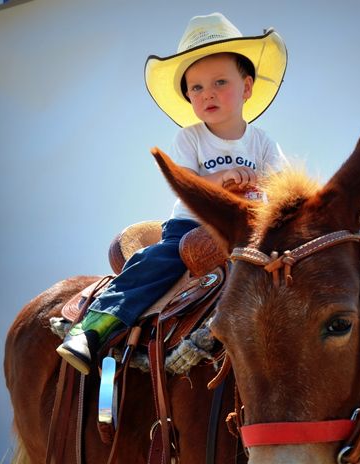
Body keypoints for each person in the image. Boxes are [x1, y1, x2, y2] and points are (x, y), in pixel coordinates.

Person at [56, 12, 288, 375]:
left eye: (219, 82)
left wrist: (262, 191)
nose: (206, 92)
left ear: (246, 87)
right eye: (196, 87)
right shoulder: (190, 137)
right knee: (159, 262)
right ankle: (93, 329)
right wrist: (221, 181)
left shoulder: (263, 143)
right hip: (190, 228)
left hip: (246, 233)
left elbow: (282, 189)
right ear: (188, 97)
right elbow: (183, 180)